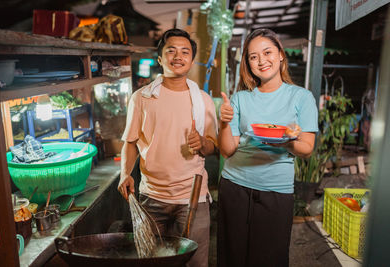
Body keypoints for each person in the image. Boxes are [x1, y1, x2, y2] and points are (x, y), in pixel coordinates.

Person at [218, 28, 318, 267]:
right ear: (248, 63)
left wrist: (287, 141)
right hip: (234, 186)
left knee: (269, 260)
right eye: (253, 56)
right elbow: (227, 150)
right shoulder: (240, 98)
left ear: (281, 55)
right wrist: (223, 123)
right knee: (231, 258)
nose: (261, 61)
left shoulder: (302, 97)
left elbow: (306, 149)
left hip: (276, 192)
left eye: (267, 52)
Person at [118, 28, 218, 267]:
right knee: (153, 260)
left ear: (192, 61)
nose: (178, 56)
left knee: (195, 263)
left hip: (192, 196)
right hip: (152, 196)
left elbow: (213, 145)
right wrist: (125, 173)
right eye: (171, 51)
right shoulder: (142, 98)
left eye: (185, 52)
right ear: (160, 59)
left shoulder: (203, 99)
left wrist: (203, 144)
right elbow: (130, 142)